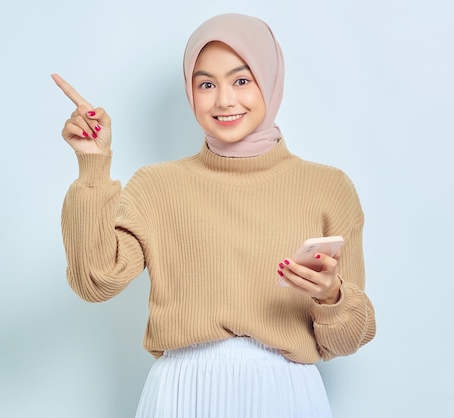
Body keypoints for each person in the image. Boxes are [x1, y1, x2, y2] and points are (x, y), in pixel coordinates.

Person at [52, 12, 376, 418]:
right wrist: (93, 167)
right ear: (191, 91)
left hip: (287, 393)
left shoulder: (328, 187)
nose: (224, 100)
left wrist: (331, 296)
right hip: (182, 392)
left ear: (270, 80)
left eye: (242, 80)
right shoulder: (157, 186)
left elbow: (347, 340)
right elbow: (94, 281)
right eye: (206, 83)